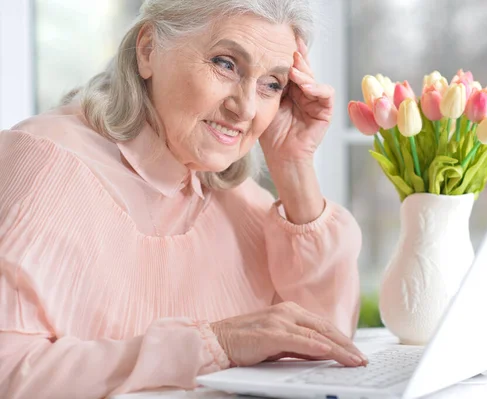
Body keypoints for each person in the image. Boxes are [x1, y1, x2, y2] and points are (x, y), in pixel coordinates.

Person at [0, 1, 366, 398]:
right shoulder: (46, 161)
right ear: (148, 50)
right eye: (226, 63)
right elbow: (9, 373)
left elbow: (326, 346)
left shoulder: (232, 196)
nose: (244, 107)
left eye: (272, 85)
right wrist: (213, 345)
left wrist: (294, 167)